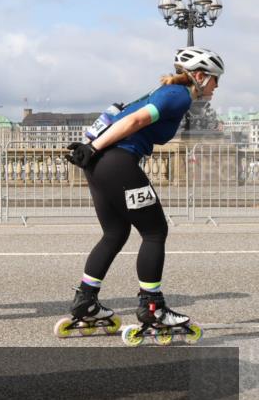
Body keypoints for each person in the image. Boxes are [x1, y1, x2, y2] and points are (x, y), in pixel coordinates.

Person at [58, 46, 224, 345]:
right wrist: (92, 149)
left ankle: (85, 301)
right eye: (215, 79)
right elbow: (134, 122)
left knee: (115, 232)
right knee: (155, 231)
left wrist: (91, 149)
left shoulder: (163, 93)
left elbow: (117, 116)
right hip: (116, 162)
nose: (216, 86)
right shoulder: (177, 95)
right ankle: (152, 307)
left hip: (101, 166)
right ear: (199, 76)